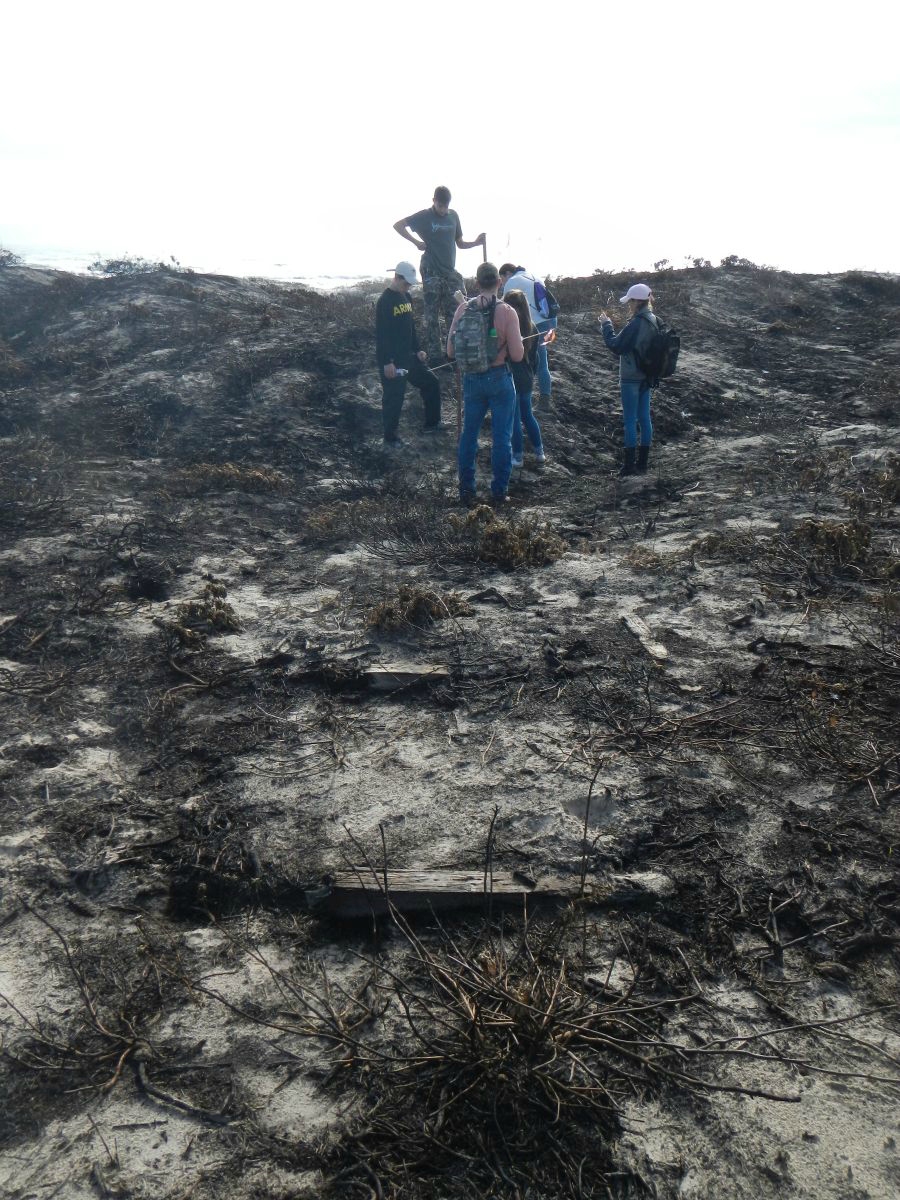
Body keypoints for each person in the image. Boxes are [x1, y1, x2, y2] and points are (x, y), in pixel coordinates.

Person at [447, 261, 524, 505]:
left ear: (477, 283)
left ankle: (466, 490)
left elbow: (450, 351)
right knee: (502, 437)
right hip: (500, 377)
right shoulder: (507, 312)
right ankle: (499, 492)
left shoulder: (462, 309)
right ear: (499, 282)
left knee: (469, 435)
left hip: (471, 379)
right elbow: (518, 355)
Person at [394, 187, 486, 364]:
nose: (443, 209)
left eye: (446, 206)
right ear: (433, 200)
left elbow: (459, 243)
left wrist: (476, 243)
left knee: (457, 311)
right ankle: (435, 357)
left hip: (450, 271)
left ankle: (452, 354)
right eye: (440, 205)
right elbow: (398, 225)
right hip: (431, 271)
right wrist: (416, 242)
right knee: (432, 316)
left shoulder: (453, 216)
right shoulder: (424, 216)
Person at [375, 262, 443, 448]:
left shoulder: (407, 297)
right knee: (394, 398)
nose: (408, 287)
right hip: (392, 360)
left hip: (409, 357)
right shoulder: (385, 301)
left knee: (431, 383)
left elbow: (410, 327)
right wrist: (387, 362)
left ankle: (432, 423)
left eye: (411, 284)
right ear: (396, 278)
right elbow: (382, 336)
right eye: (406, 283)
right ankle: (390, 438)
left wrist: (418, 349)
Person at [598, 282, 658, 475]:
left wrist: (606, 325)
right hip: (647, 376)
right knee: (644, 419)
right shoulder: (655, 320)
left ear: (636, 301)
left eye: (630, 301)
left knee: (630, 420)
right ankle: (643, 464)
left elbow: (616, 346)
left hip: (630, 377)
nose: (628, 305)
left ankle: (629, 466)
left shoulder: (636, 323)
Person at [498, 263, 557, 407]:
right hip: (551, 323)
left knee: (533, 361)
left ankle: (542, 400)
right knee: (541, 361)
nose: (502, 283)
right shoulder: (533, 276)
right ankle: (542, 396)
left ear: (507, 273)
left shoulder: (512, 282)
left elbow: (505, 308)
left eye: (502, 278)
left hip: (536, 325)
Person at [502, 289, 546, 468]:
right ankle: (540, 453)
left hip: (512, 376)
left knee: (515, 418)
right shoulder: (532, 327)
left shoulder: (508, 326)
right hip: (527, 377)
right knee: (528, 416)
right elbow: (536, 359)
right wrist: (532, 374)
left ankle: (518, 457)